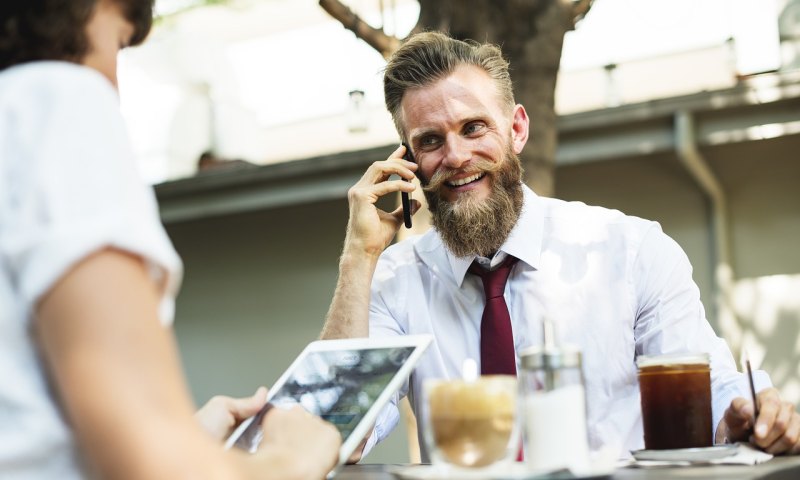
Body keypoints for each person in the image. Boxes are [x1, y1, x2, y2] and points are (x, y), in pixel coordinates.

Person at [321, 31, 800, 459]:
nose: (457, 157)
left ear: (517, 129)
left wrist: (751, 417)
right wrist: (357, 258)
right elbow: (336, 436)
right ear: (408, 161)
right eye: (430, 141)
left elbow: (711, 393)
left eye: (473, 128)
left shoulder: (631, 250)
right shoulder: (393, 281)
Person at [0, 1, 340, 478]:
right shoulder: (56, 98)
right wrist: (293, 458)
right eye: (118, 42)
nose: (113, 85)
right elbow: (158, 470)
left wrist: (184, 436)